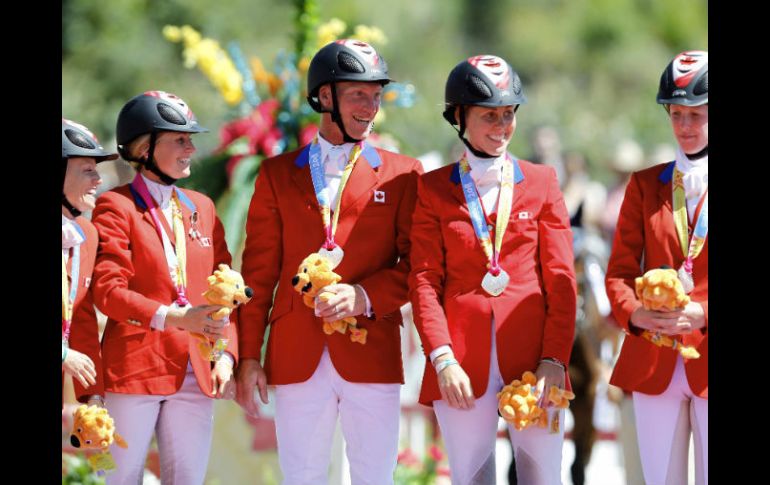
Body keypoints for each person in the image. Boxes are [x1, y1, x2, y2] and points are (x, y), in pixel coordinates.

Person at [235, 39, 423, 485]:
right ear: (325, 96)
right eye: (358, 93)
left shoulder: (403, 173)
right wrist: (247, 357)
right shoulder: (277, 174)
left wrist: (364, 295)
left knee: (375, 477)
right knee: (301, 476)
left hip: (371, 346)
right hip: (295, 349)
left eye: (376, 95)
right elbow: (257, 275)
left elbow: (418, 267)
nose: (370, 106)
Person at [409, 55, 577, 485]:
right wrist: (442, 358)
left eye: (508, 114)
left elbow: (561, 279)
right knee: (472, 479)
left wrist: (554, 357)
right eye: (490, 116)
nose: (502, 126)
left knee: (543, 479)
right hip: (461, 362)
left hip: (536, 361)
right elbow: (425, 281)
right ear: (460, 117)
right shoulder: (431, 188)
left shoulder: (542, 181)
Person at [90, 91, 238, 484]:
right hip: (135, 371)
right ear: (144, 148)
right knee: (122, 479)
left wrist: (226, 355)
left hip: (196, 369)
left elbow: (227, 292)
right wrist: (176, 317)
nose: (192, 147)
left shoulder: (201, 208)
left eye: (191, 138)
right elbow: (108, 290)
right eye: (180, 139)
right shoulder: (115, 206)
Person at [605, 50, 708, 485]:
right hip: (654, 354)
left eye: (697, 115)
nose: (684, 127)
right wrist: (634, 314)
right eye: (677, 114)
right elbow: (618, 273)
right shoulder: (645, 185)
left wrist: (703, 312)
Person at [61, 119, 118, 408]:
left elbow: (82, 317)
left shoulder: (88, 233)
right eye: (88, 170)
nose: (99, 179)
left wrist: (93, 395)